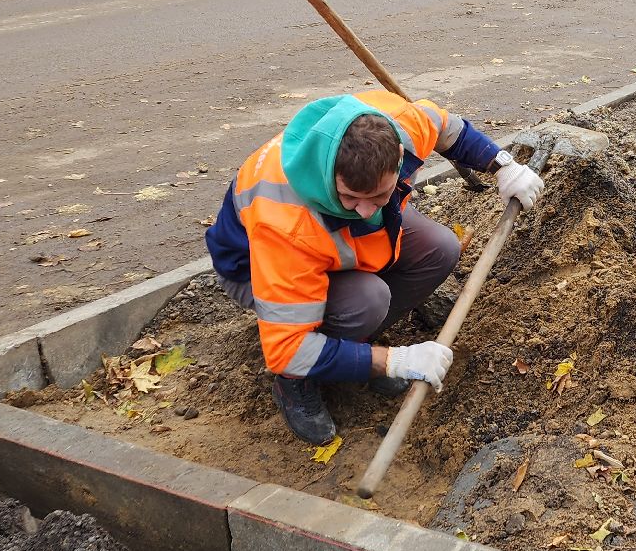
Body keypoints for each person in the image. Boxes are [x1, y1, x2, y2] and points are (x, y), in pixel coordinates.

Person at [205, 90, 545, 444]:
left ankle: (354, 345)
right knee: (367, 299)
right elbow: (287, 350)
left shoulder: (393, 124)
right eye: (351, 197)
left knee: (441, 248)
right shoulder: (286, 224)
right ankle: (296, 384)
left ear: (399, 156)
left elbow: (446, 128)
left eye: (381, 196)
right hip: (256, 268)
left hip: (331, 239)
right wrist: (392, 361)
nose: (366, 211)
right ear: (329, 175)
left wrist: (502, 165)